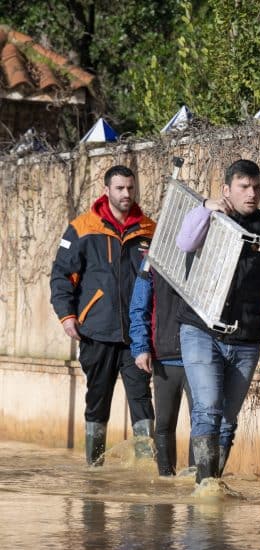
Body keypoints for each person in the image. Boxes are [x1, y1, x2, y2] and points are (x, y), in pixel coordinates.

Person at [176, 159, 260, 483]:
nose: (252, 194)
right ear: (227, 190)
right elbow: (184, 242)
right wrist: (206, 207)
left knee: (227, 419)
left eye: (256, 187)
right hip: (201, 328)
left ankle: (211, 484)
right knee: (207, 409)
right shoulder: (210, 216)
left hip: (246, 335)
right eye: (244, 187)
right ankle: (205, 488)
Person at [50, 165, 156, 465]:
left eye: (130, 188)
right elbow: (61, 275)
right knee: (97, 401)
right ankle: (94, 469)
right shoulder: (83, 227)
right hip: (95, 331)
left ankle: (146, 471)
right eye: (120, 188)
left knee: (141, 400)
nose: (126, 194)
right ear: (106, 189)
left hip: (136, 335)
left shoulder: (149, 229)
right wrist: (67, 315)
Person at [129, 259, 193, 476]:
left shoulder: (210, 251)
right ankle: (166, 482)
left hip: (201, 358)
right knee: (164, 425)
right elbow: (139, 306)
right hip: (165, 357)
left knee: (203, 426)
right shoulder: (152, 259)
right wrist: (140, 347)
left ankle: (198, 482)